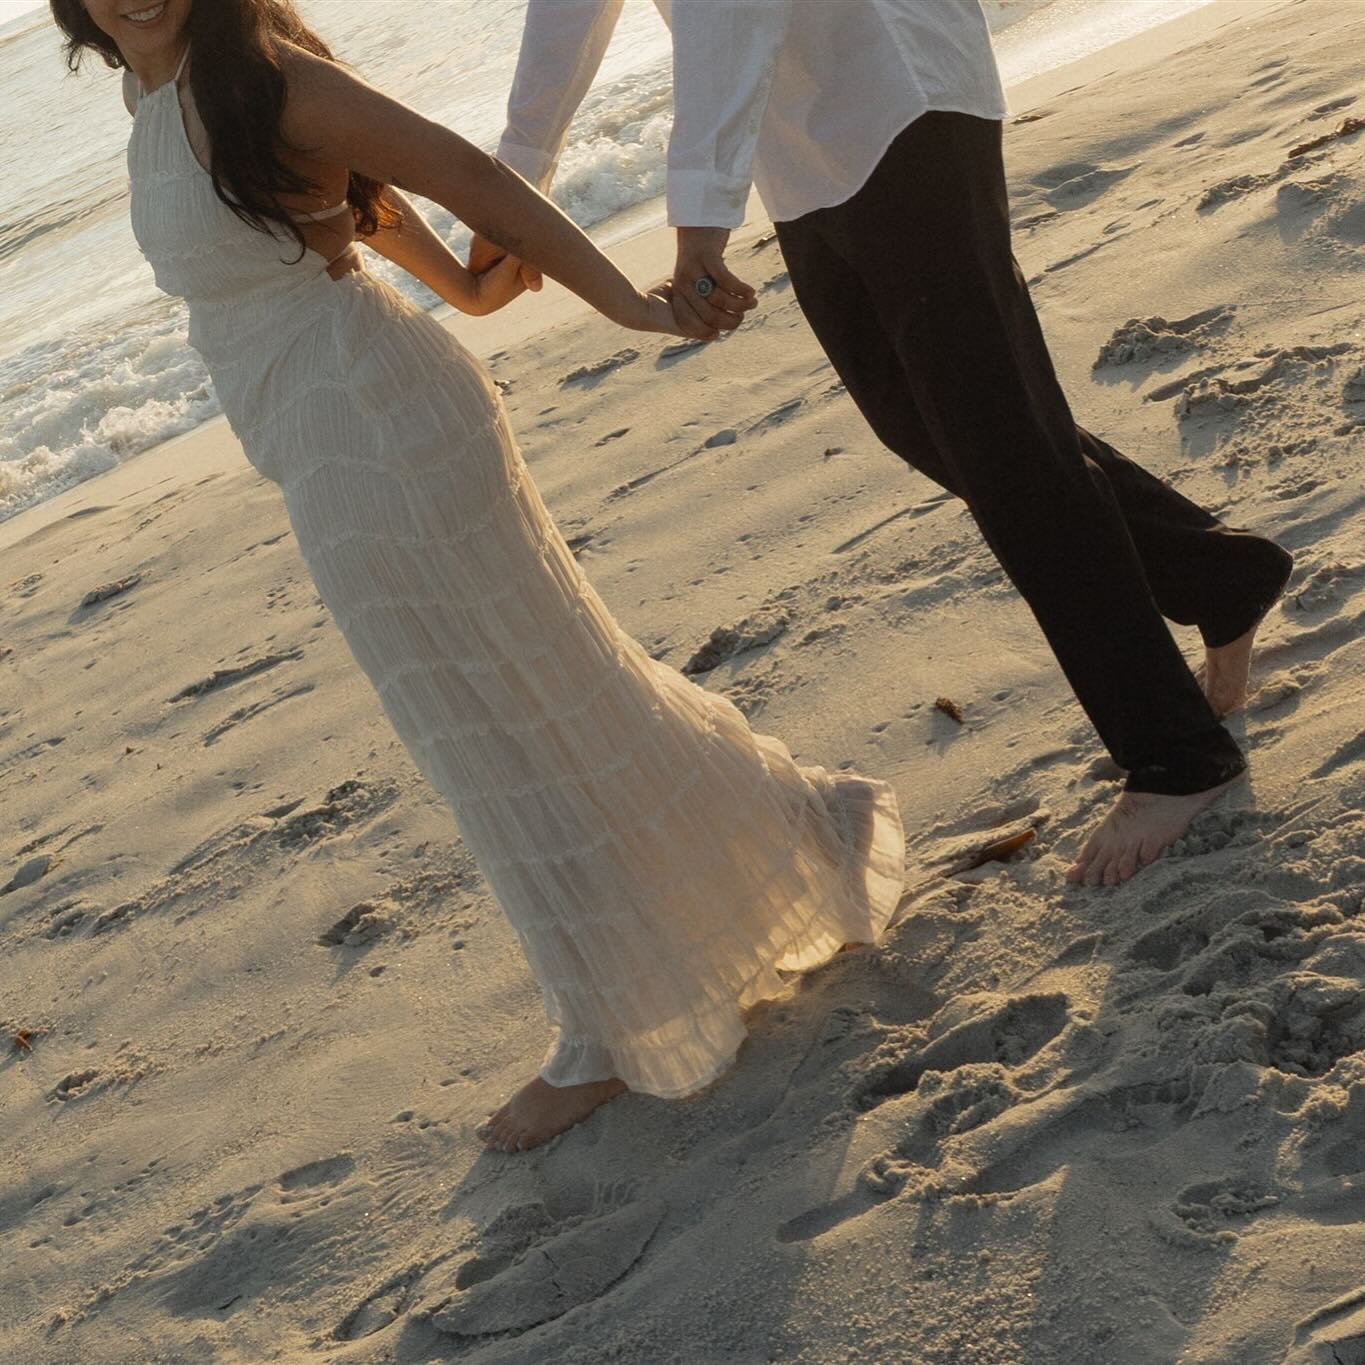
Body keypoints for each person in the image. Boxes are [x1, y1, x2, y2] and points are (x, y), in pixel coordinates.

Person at [51, 0, 906, 1154]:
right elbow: (348, 206)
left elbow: (462, 172)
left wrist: (628, 305)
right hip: (323, 435)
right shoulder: (152, 93)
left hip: (376, 425)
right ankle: (801, 843)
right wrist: (457, 286)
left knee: (491, 721)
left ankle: (608, 1031)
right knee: (532, 699)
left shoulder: (272, 76)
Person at [475, 0, 1295, 888]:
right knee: (931, 424)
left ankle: (1177, 756)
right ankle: (1214, 573)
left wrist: (699, 225)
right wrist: (515, 189)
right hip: (805, 143)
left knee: (1001, 443)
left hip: (895, 94)